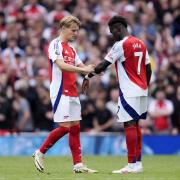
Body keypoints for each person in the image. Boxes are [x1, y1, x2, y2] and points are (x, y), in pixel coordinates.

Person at [82, 16, 152, 174]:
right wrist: (144, 86)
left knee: (129, 125)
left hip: (129, 91)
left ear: (117, 29)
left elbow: (102, 66)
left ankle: (131, 164)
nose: (111, 35)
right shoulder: (140, 43)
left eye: (112, 32)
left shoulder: (120, 45)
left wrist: (87, 76)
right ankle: (138, 163)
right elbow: (149, 69)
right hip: (141, 90)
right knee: (136, 125)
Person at [33, 15, 97, 173]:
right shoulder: (55, 44)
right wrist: (84, 70)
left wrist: (88, 74)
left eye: (78, 31)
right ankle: (40, 152)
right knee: (65, 127)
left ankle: (78, 165)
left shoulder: (72, 49)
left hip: (73, 91)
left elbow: (81, 66)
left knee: (75, 127)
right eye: (73, 30)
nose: (76, 33)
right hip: (60, 91)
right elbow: (61, 65)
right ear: (63, 28)